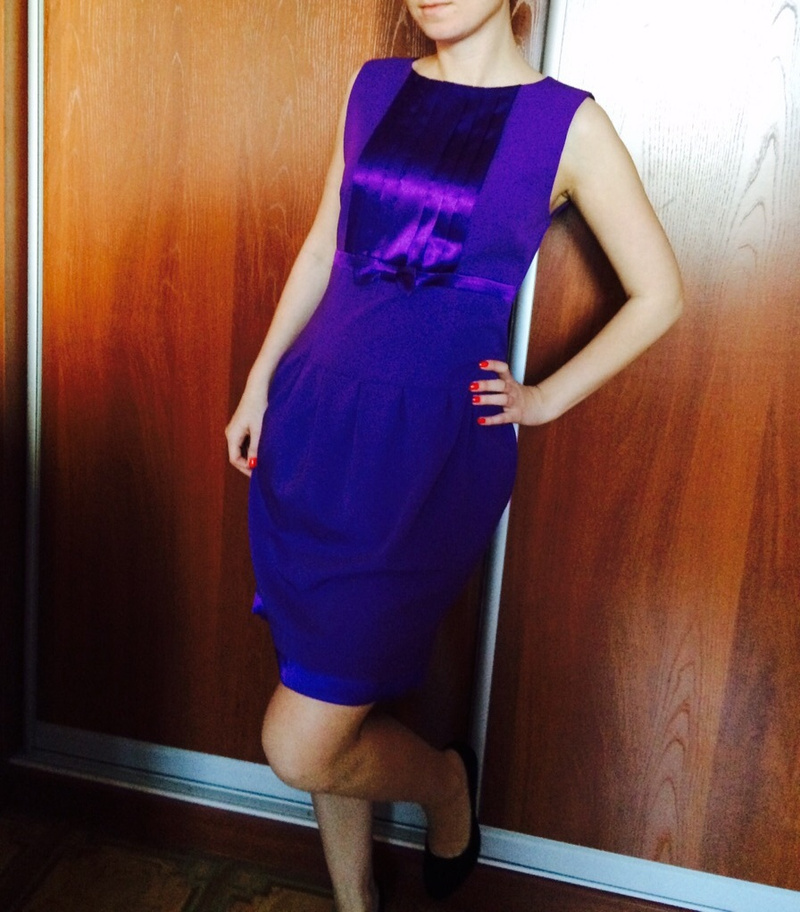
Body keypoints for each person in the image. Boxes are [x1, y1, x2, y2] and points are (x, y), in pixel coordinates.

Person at [225, 1, 683, 909]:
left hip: (428, 459)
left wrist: (542, 398)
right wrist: (260, 381)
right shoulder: (373, 87)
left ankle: (444, 787)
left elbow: (659, 293)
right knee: (326, 686)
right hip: (315, 430)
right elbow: (322, 248)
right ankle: (358, 902)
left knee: (302, 740)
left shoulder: (569, 124)